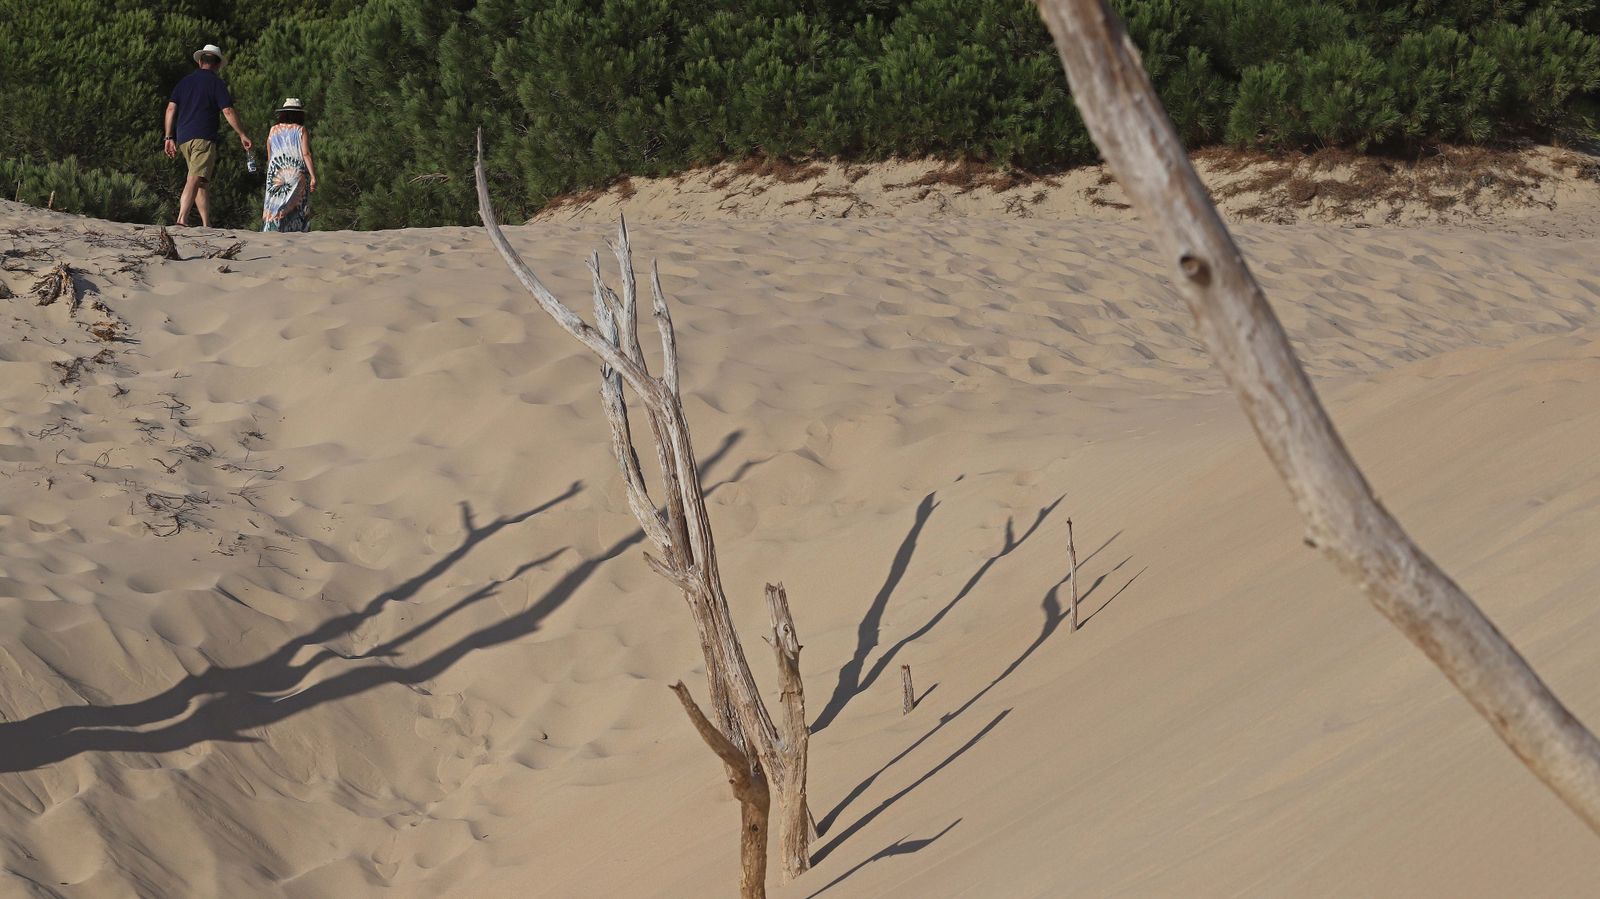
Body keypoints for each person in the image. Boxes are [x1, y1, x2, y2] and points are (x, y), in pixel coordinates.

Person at [163, 44, 252, 227]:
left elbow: (171, 108)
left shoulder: (184, 82)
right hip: (203, 135)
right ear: (218, 65)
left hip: (183, 138)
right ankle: (182, 219)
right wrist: (242, 134)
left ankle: (206, 224)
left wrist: (168, 137)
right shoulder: (216, 83)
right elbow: (227, 111)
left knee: (201, 180)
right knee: (195, 177)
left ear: (200, 62)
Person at [261, 98, 318, 232]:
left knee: (274, 204)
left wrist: (271, 171)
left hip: (275, 172)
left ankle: (271, 229)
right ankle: (295, 230)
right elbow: (306, 154)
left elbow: (270, 154)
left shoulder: (273, 129)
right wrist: (313, 176)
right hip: (295, 172)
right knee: (296, 204)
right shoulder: (301, 130)